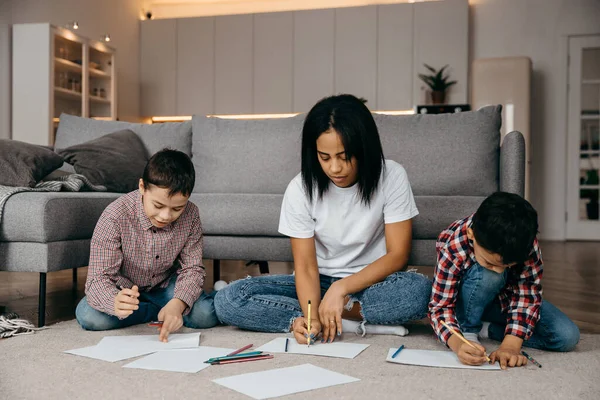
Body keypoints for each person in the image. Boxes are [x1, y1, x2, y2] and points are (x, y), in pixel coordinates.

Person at [214, 94, 432, 344]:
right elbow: (306, 267)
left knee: (419, 293)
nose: (335, 168)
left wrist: (342, 289)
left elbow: (398, 255)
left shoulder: (392, 176)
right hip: (316, 284)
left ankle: (334, 311)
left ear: (364, 147)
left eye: (344, 156)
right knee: (229, 299)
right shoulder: (299, 188)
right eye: (324, 157)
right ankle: (318, 317)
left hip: (370, 284)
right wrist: (311, 314)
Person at [75, 149, 218, 341]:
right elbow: (98, 278)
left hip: (165, 284)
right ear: (142, 187)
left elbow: (192, 269)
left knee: (205, 315)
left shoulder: (191, 214)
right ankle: (153, 311)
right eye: (158, 206)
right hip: (123, 290)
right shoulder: (115, 216)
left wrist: (177, 304)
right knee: (89, 317)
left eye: (177, 208)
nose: (166, 216)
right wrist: (114, 301)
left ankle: (164, 309)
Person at [429, 192, 580, 369]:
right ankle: (469, 329)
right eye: (490, 263)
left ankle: (488, 329)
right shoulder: (454, 243)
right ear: (471, 235)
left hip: (504, 301)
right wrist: (458, 343)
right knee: (489, 276)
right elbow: (440, 307)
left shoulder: (525, 245)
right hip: (464, 302)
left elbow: (527, 297)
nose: (500, 270)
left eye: (508, 265)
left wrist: (511, 345)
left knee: (566, 337)